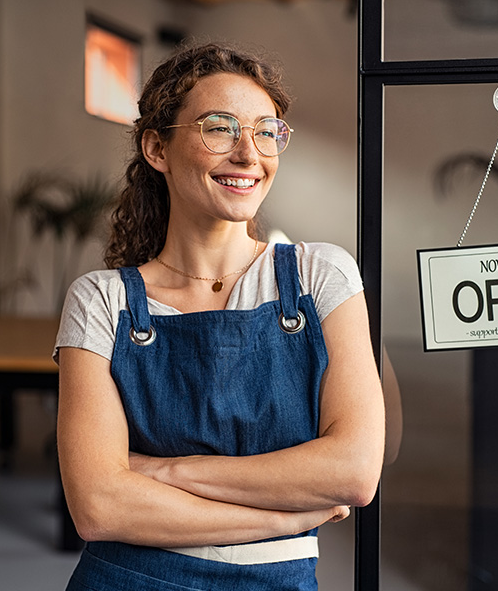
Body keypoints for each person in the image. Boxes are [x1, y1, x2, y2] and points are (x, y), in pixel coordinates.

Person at [53, 41, 386, 590]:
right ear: (157, 148)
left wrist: (160, 470)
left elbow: (352, 471)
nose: (249, 154)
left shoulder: (321, 276)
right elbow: (98, 508)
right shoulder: (100, 300)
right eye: (220, 128)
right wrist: (285, 520)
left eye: (266, 131)